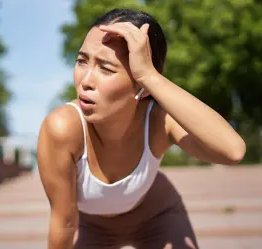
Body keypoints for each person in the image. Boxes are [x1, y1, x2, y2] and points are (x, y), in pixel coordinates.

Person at [37, 8, 246, 249]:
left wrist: (150, 76)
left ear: (141, 85)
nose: (86, 81)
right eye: (82, 61)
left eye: (105, 68)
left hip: (158, 217)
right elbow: (64, 223)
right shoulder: (62, 129)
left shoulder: (159, 121)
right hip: (92, 227)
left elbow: (233, 151)